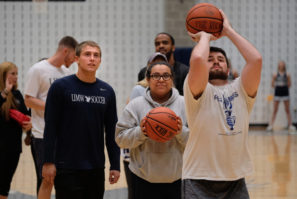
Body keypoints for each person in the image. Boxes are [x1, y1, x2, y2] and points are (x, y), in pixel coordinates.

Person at [182, 9, 262, 199]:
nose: (216, 62)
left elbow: (256, 60)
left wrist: (228, 31)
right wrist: (205, 36)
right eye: (211, 60)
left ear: (229, 68)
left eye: (221, 60)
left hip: (235, 179)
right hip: (198, 177)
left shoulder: (241, 89)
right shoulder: (196, 88)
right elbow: (198, 59)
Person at [42, 41, 120, 199]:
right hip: (67, 166)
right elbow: (50, 127)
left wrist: (115, 165)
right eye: (87, 54)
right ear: (76, 59)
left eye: (96, 55)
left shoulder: (107, 91)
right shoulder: (60, 87)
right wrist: (48, 161)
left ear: (100, 61)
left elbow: (112, 132)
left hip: (96, 168)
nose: (92, 59)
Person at [116, 61, 189, 199]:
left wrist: (181, 131)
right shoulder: (134, 105)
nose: (161, 80)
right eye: (156, 76)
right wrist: (141, 132)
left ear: (172, 79)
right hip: (142, 179)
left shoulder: (185, 105)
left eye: (166, 75)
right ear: (148, 79)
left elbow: (198, 143)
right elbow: (120, 139)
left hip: (177, 179)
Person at [24, 36, 78, 197]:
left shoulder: (67, 73)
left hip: (64, 136)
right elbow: (28, 99)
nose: (74, 60)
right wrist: (53, 108)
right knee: (46, 179)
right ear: (65, 51)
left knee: (64, 179)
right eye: (73, 56)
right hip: (42, 134)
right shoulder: (38, 69)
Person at [123, 52, 168, 199]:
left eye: (162, 62)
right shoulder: (138, 89)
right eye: (154, 63)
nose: (158, 66)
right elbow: (133, 121)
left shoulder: (173, 92)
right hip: (141, 148)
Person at [0, 62, 32, 199]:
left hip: (13, 148)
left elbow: (26, 115)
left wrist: (29, 126)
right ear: (3, 76)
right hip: (0, 146)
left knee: (5, 183)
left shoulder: (18, 94)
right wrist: (5, 92)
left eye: (17, 74)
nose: (16, 77)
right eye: (12, 74)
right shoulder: (2, 94)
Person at [266, 61, 296, 131]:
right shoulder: (275, 74)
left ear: (284, 66)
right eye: (280, 64)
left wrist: (284, 85)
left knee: (287, 110)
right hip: (277, 93)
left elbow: (290, 84)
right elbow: (272, 84)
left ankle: (290, 125)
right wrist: (277, 84)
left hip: (285, 93)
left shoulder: (287, 74)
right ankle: (271, 125)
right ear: (278, 66)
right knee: (275, 110)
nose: (281, 66)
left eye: (282, 64)